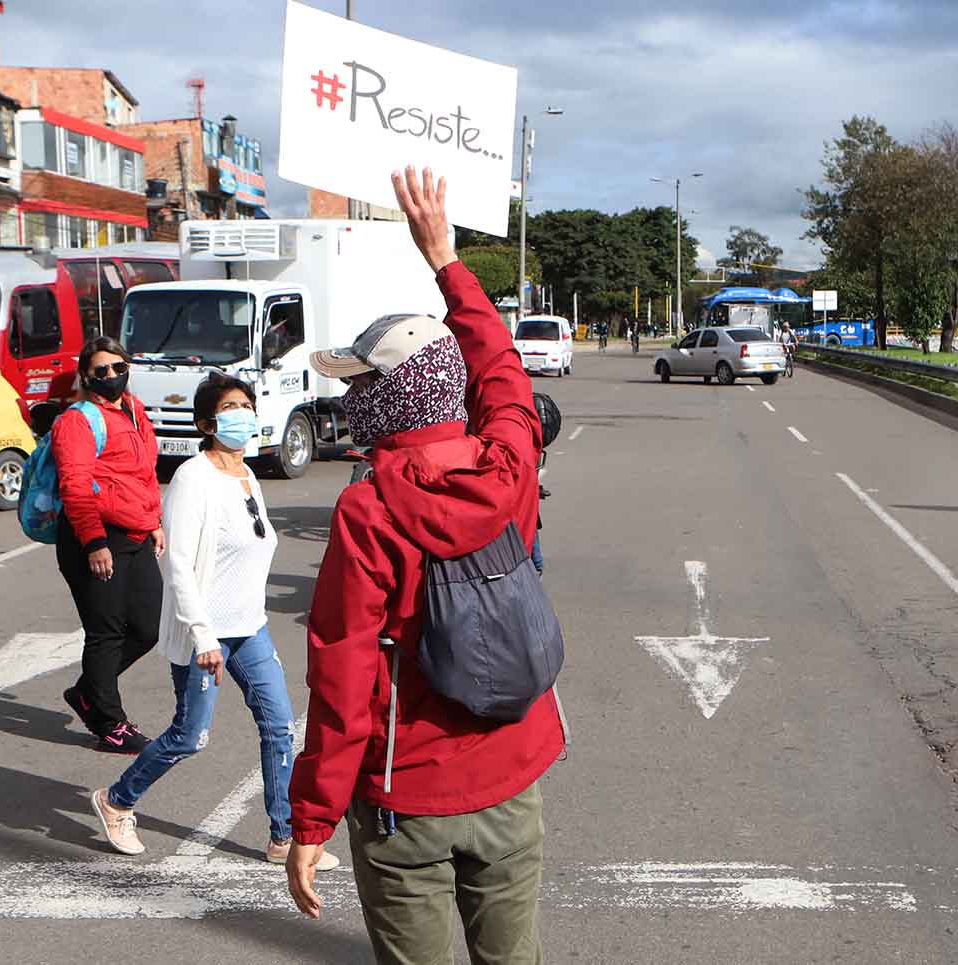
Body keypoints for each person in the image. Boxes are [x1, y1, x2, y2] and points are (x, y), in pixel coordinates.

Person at [287, 167, 565, 964]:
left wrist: (310, 822)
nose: (350, 399)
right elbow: (504, 371)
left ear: (390, 396)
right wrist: (445, 259)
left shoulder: (369, 509)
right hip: (512, 773)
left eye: (361, 383)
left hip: (403, 796)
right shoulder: (508, 463)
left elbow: (343, 678)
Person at [89, 373, 339, 872]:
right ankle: (117, 800)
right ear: (207, 422)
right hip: (205, 632)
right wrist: (203, 636)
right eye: (230, 407)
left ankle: (283, 835)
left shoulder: (247, 476)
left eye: (246, 404)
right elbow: (179, 564)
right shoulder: (192, 479)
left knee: (278, 727)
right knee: (190, 735)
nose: (241, 414)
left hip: (250, 627)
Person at [54, 337, 164, 755]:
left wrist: (154, 520)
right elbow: (75, 487)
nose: (112, 376)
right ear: (86, 375)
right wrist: (94, 543)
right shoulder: (77, 421)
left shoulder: (134, 412)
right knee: (107, 632)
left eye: (119, 367)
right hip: (95, 537)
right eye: (101, 371)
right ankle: (108, 721)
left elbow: (145, 472)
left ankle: (87, 693)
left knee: (148, 628)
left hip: (135, 533)